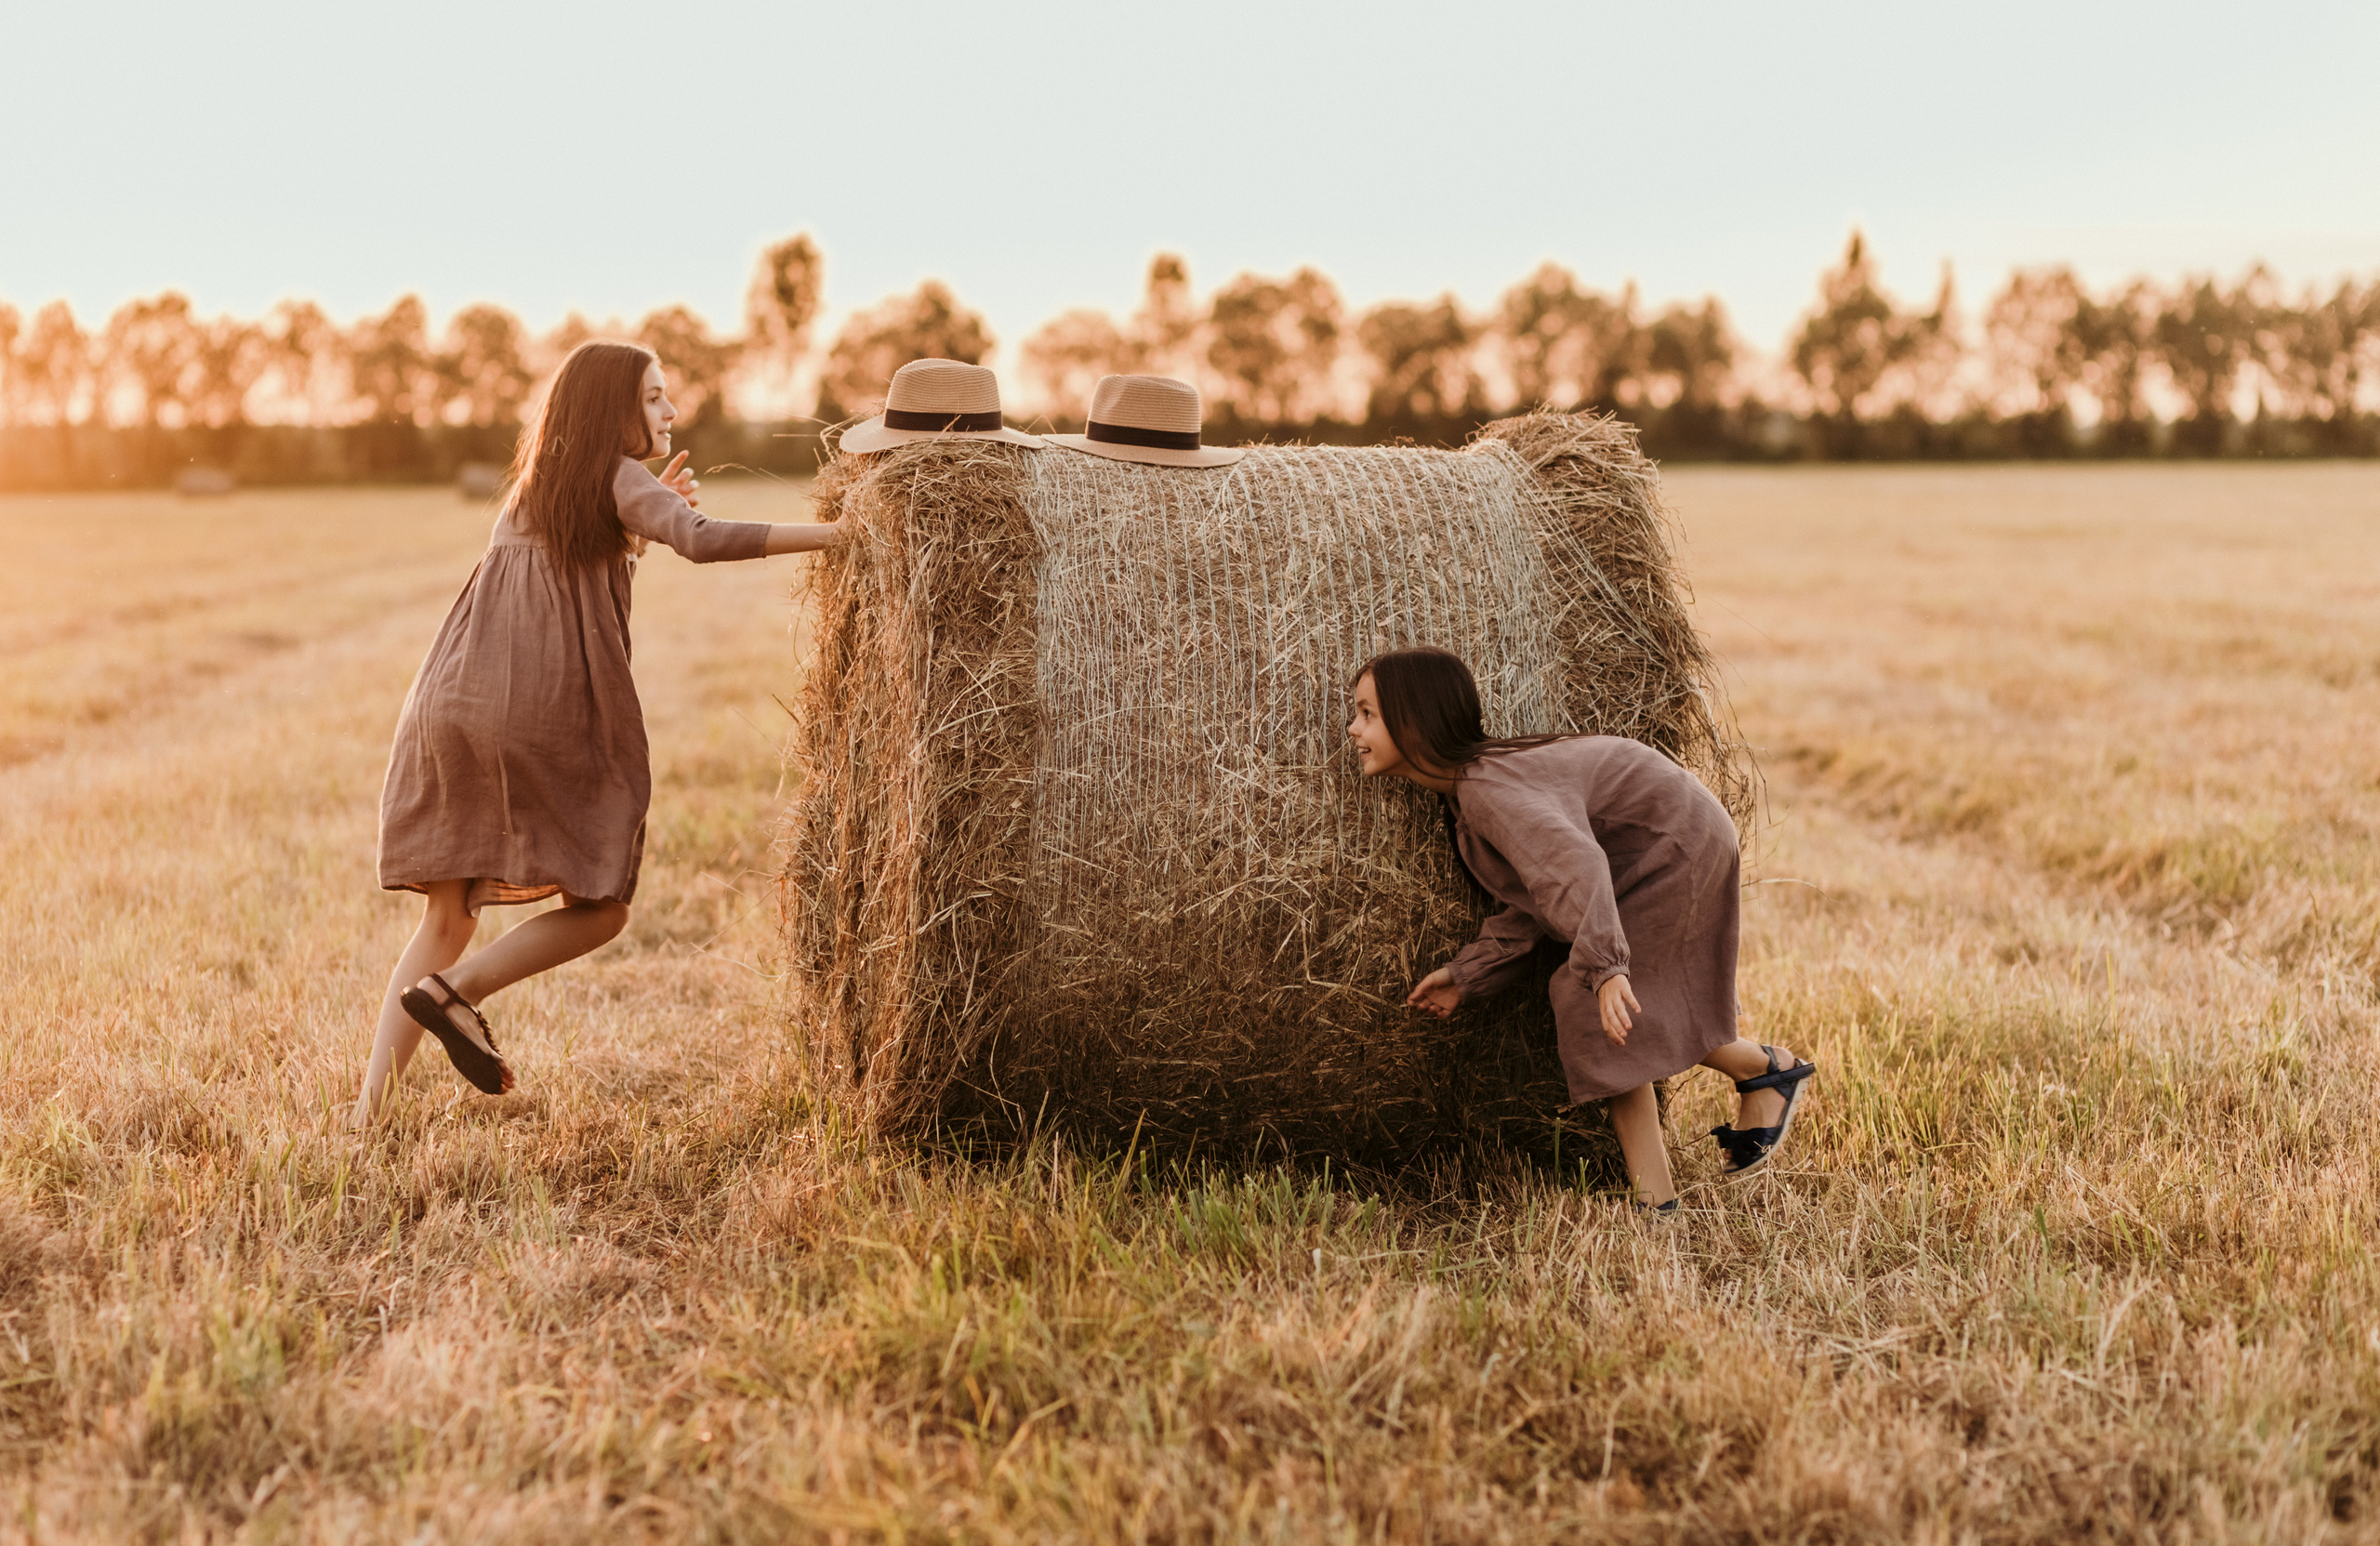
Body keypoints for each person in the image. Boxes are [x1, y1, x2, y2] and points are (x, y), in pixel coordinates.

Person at [350, 340, 842, 1127]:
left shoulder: (533, 490)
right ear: (614, 409)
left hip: (444, 703)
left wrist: (641, 528)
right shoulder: (619, 480)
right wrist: (840, 537)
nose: (670, 412)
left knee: (444, 921)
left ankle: (365, 1115)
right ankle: (458, 992)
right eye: (654, 398)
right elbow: (704, 540)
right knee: (604, 905)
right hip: (531, 709)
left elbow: (573, 574)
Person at [1346, 646, 1813, 1209]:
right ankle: (1747, 1094)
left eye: (1368, 713)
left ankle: (1685, 1168)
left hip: (1673, 843)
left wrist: (1608, 967)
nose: (1354, 728)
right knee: (1599, 1005)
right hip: (1657, 841)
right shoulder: (1475, 790)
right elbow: (1541, 897)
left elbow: (1576, 867)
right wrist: (1469, 974)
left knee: (1590, 997)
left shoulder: (1488, 791)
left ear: (1413, 719)